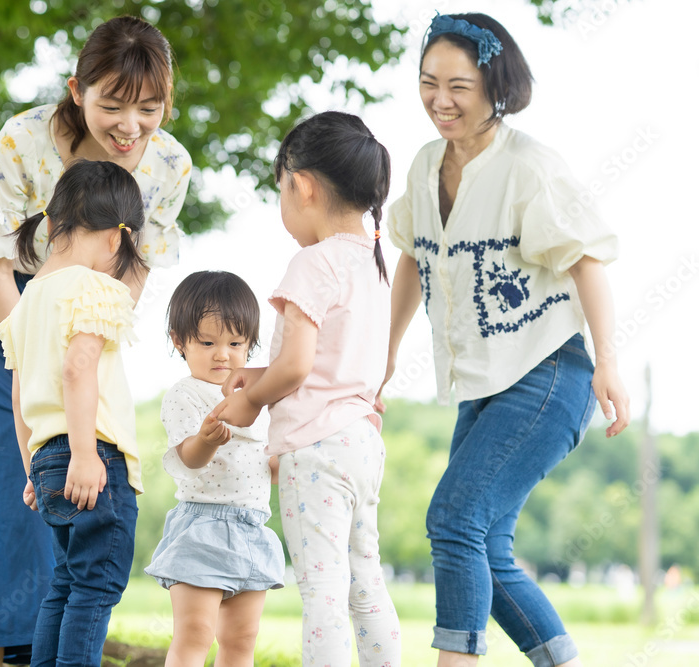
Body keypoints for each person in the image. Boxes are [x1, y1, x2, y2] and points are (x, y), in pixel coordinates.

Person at [0, 15, 192, 666]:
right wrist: (32, 345)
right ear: (77, 90)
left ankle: (39, 647)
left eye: (149, 108)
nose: (131, 126)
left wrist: (92, 339)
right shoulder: (25, 140)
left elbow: (134, 265)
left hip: (84, 304)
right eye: (112, 105)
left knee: (73, 463)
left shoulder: (169, 165)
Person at [378, 13, 630, 667]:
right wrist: (387, 352)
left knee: (453, 519)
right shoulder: (425, 164)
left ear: (497, 85)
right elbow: (412, 254)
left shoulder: (529, 166)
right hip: (484, 381)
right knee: (483, 544)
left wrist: (610, 362)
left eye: (458, 85)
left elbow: (586, 260)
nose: (440, 100)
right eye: (429, 83)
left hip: (550, 372)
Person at [215, 111, 401, 667]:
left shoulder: (311, 263)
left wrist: (249, 400)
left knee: (321, 590)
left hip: (316, 452)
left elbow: (295, 367)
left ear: (301, 185)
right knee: (365, 580)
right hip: (362, 443)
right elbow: (334, 364)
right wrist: (259, 375)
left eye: (281, 192)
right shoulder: (372, 267)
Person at [0, 159, 146, 667]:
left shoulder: (26, 301)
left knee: (65, 582)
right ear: (114, 240)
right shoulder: (97, 288)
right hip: (92, 457)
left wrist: (33, 472)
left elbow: (19, 399)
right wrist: (85, 454)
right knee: (96, 585)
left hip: (46, 458)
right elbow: (79, 368)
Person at [145, 270, 285, 667]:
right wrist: (206, 440)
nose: (222, 354)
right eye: (207, 343)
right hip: (203, 527)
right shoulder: (184, 394)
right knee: (195, 633)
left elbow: (266, 464)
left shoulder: (256, 399)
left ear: (250, 344)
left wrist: (286, 463)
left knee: (242, 639)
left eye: (235, 343)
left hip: (253, 528)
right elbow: (189, 459)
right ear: (179, 341)